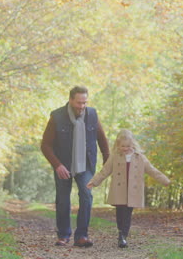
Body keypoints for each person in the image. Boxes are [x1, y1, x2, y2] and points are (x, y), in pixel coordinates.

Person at [41, 86, 110, 248]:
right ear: (71, 100)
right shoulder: (57, 116)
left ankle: (82, 236)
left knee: (86, 194)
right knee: (63, 200)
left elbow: (102, 139)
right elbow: (45, 145)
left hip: (85, 164)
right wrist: (57, 165)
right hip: (63, 164)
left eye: (84, 102)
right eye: (79, 102)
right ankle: (64, 235)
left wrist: (107, 161)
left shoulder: (92, 114)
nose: (81, 106)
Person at [87, 129, 170, 248]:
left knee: (127, 213)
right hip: (119, 189)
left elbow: (152, 170)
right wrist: (94, 182)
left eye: (127, 146)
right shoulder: (114, 157)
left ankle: (123, 236)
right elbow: (105, 171)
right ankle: (121, 233)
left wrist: (164, 180)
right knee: (120, 212)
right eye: (122, 146)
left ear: (132, 144)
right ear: (118, 144)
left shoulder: (139, 157)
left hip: (133, 190)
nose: (125, 148)